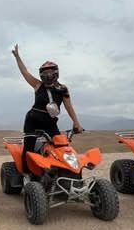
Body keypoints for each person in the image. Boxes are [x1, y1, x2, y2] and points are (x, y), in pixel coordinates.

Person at [11, 44, 83, 173]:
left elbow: (69, 107)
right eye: (45, 72)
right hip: (33, 120)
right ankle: (27, 175)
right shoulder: (38, 85)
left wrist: (76, 123)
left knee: (61, 146)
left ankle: (59, 172)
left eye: (50, 72)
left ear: (56, 72)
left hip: (50, 122)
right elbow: (24, 72)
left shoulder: (63, 89)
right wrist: (17, 57)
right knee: (29, 148)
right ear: (41, 74)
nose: (48, 75)